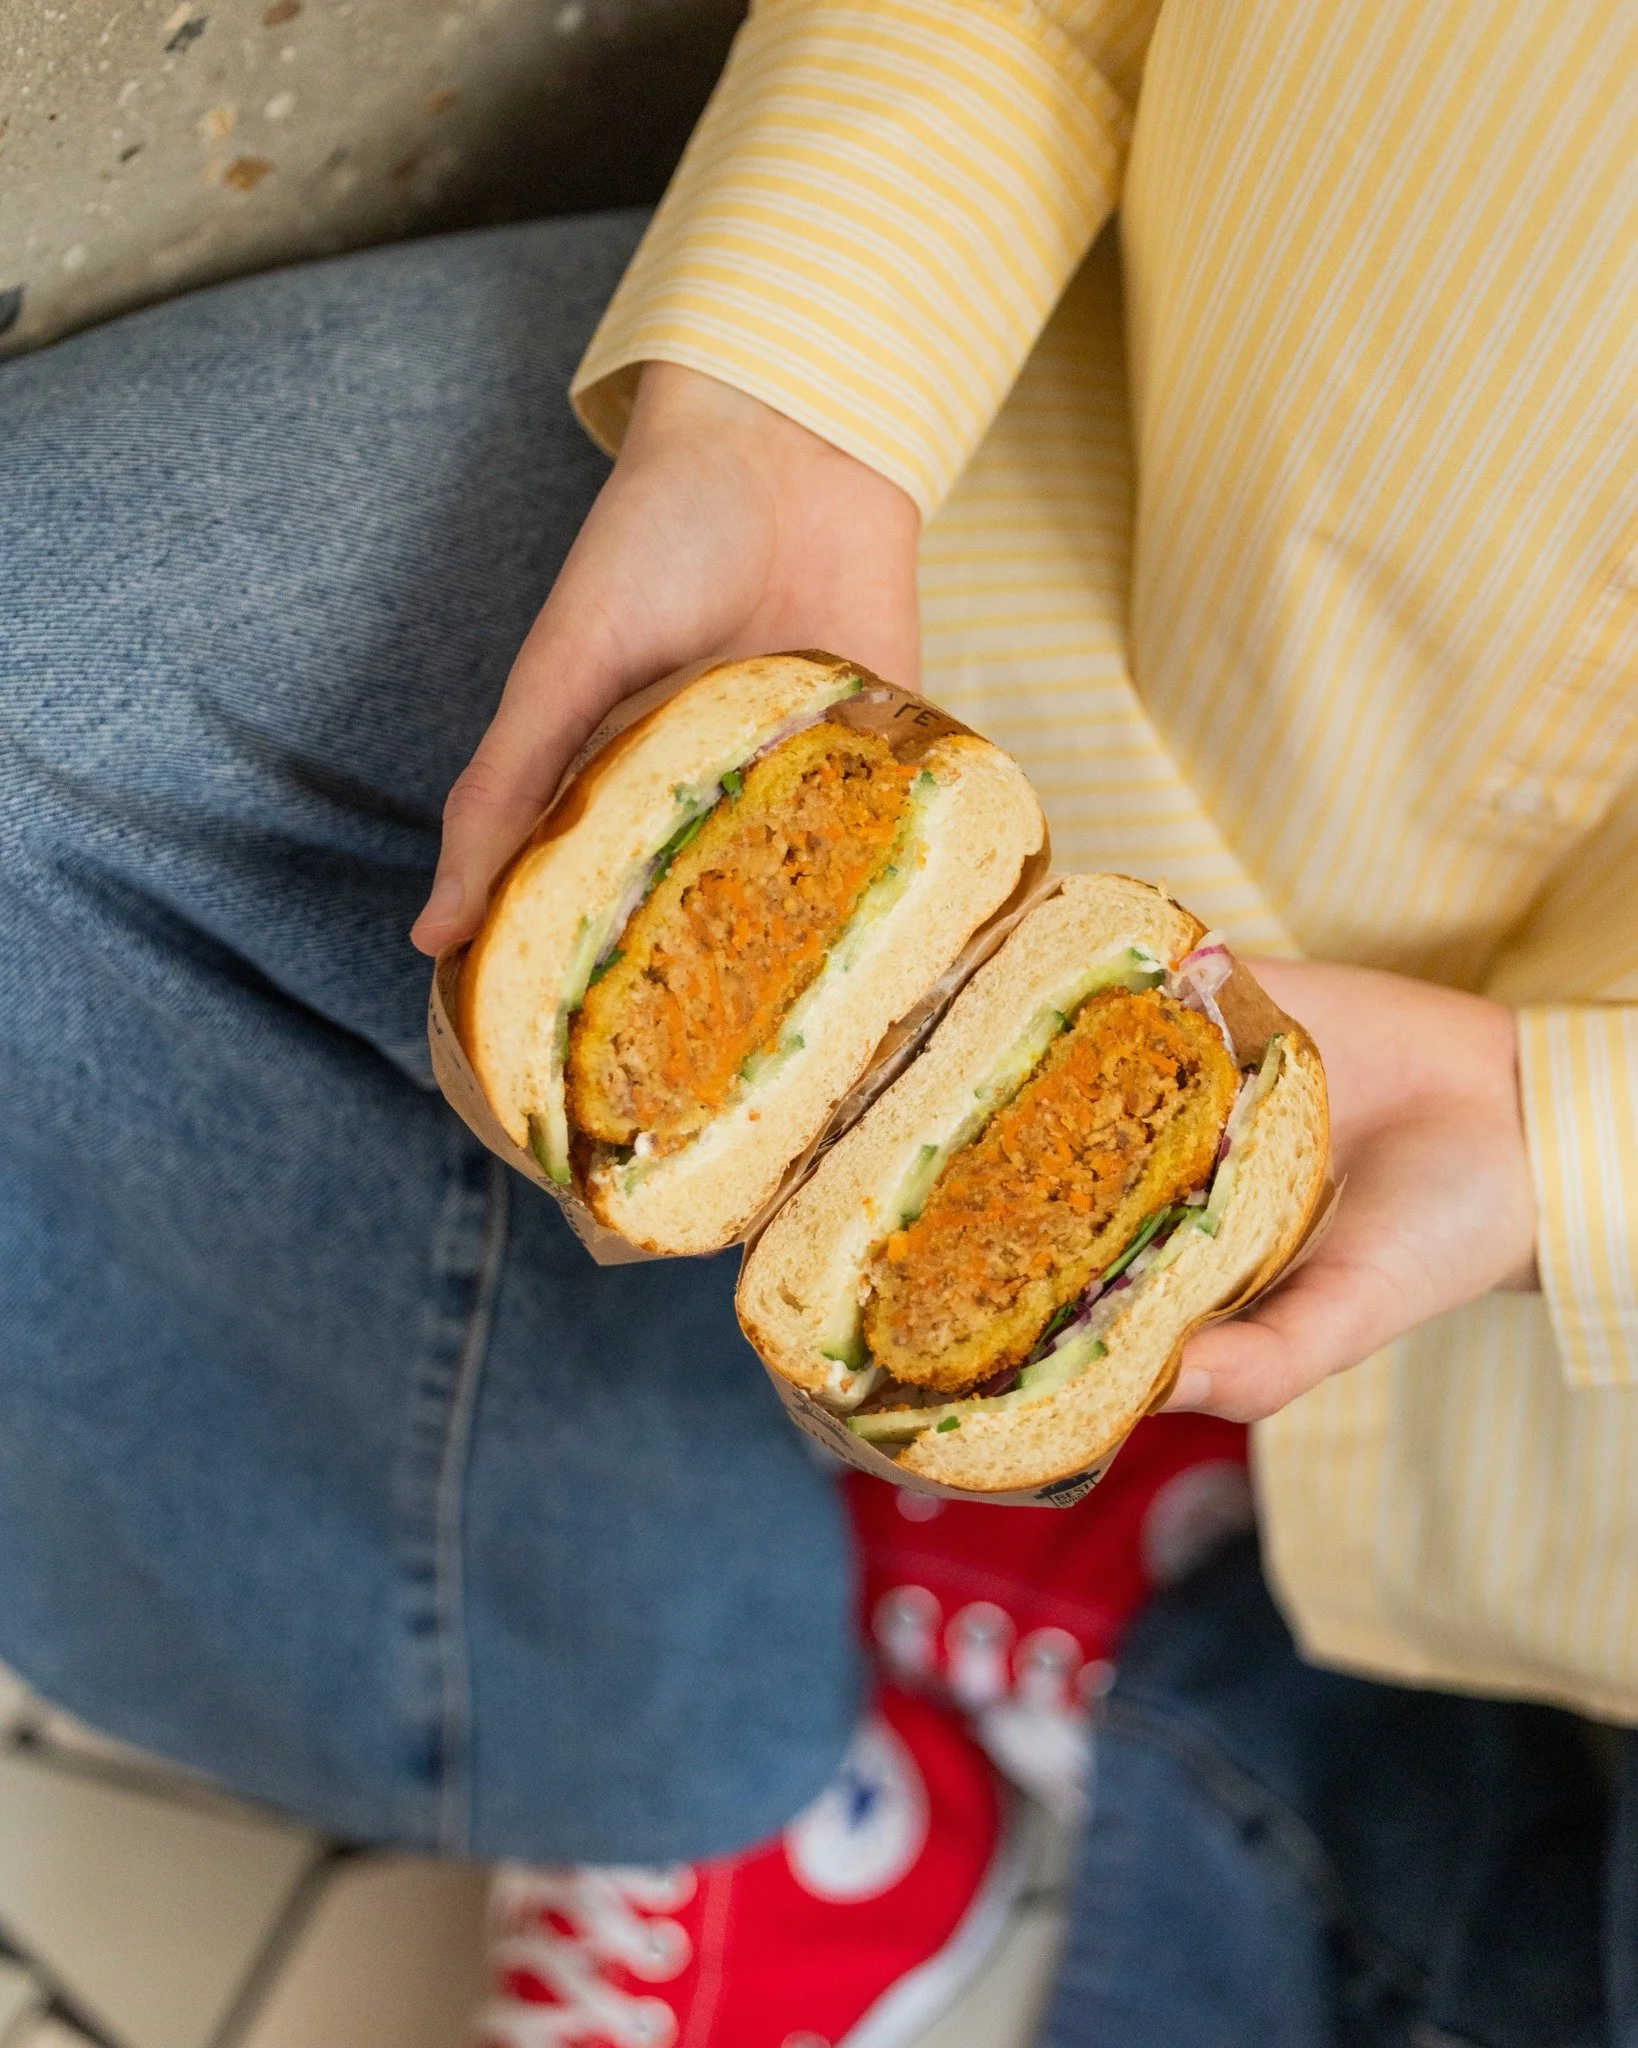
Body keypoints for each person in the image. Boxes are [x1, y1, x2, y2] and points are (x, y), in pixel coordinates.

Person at [2, 0, 1634, 2042]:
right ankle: (694, 1755)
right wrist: (788, 401)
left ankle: (1203, 1659)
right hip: (1005, 534)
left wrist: (1575, 1141)